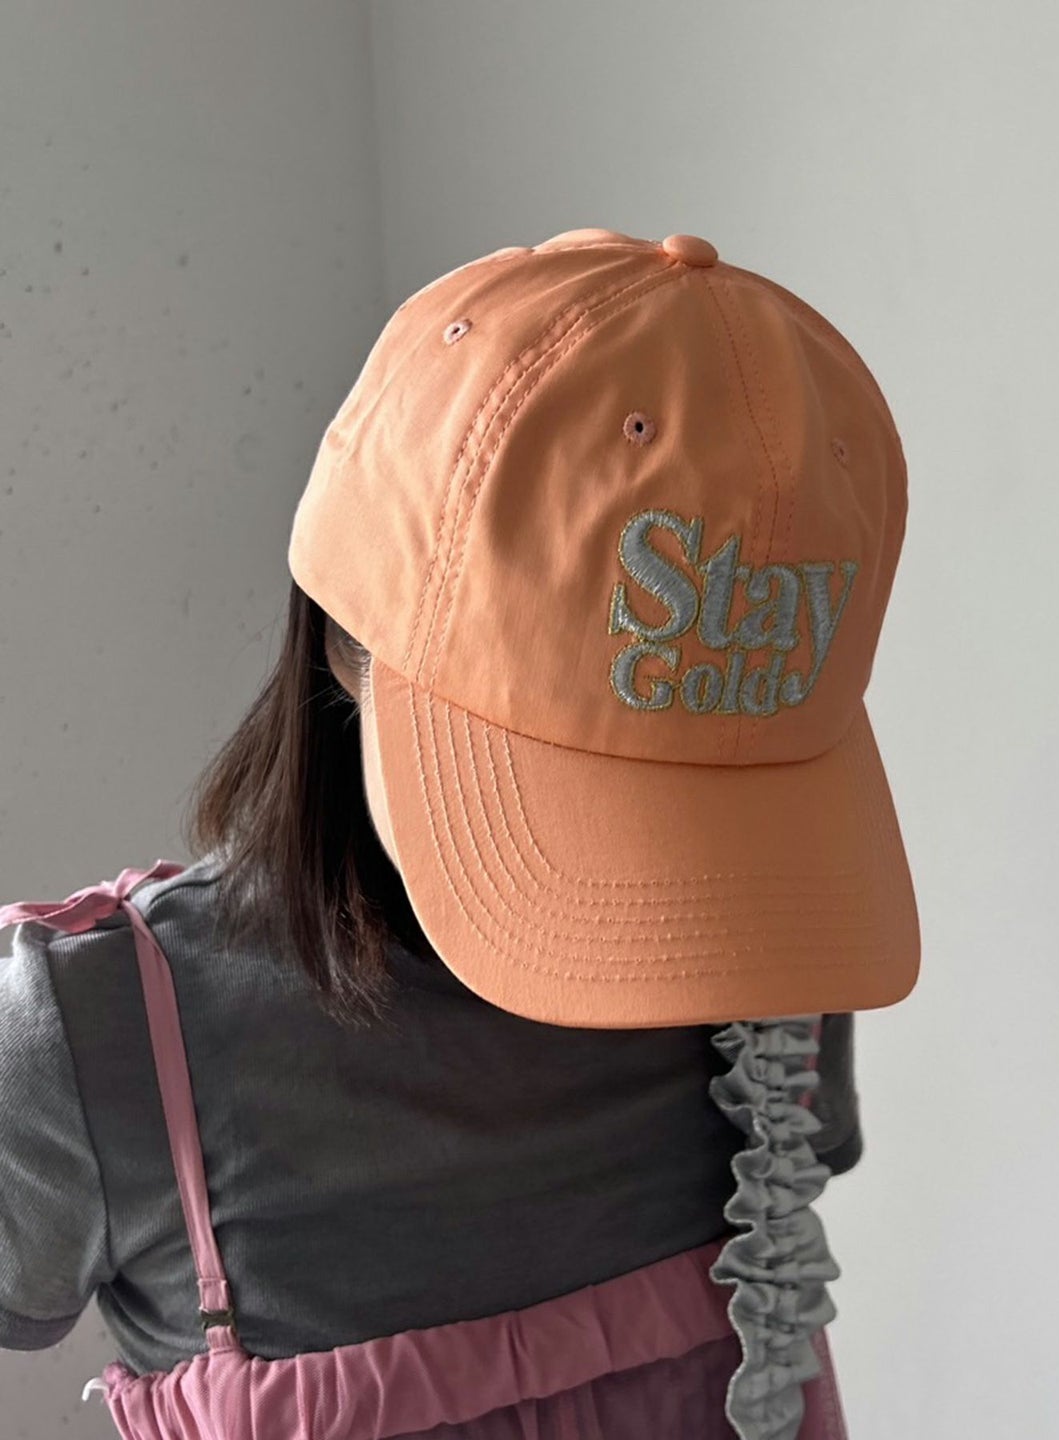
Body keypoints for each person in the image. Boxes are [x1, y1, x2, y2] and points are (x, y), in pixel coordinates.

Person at [0, 227, 918, 1440]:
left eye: (717, 802)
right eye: (598, 783)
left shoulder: (768, 932)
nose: (680, 901)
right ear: (346, 637)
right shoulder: (97, 1045)